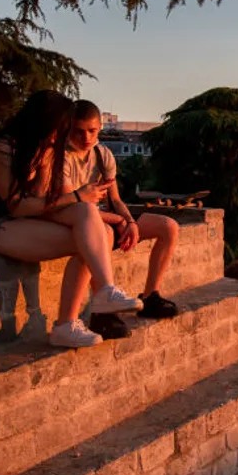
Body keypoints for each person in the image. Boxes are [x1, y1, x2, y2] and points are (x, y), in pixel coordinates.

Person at [0, 91, 142, 347]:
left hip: (29, 219)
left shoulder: (47, 148)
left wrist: (45, 163)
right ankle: (74, 318)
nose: (64, 134)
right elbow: (16, 206)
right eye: (63, 127)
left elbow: (40, 199)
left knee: (95, 228)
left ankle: (89, 304)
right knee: (88, 227)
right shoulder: (3, 147)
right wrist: (79, 196)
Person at [58, 101, 179, 339]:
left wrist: (130, 222)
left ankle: (151, 295)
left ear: (100, 127)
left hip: (107, 216)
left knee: (169, 227)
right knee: (103, 232)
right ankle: (102, 314)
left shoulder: (103, 155)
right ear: (68, 129)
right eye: (79, 131)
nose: (86, 137)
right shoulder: (61, 159)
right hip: (83, 221)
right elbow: (75, 206)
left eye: (92, 131)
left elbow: (116, 199)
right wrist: (117, 221)